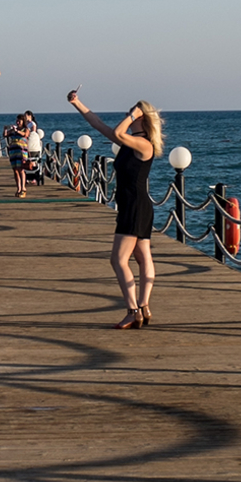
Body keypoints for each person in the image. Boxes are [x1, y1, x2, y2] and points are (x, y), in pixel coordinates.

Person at [67, 91, 164, 329]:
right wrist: (77, 103)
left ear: (142, 118)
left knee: (118, 259)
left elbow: (120, 131)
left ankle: (133, 310)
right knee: (142, 257)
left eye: (133, 114)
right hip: (135, 205)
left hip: (135, 206)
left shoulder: (143, 144)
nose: (127, 116)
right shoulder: (129, 143)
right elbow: (98, 124)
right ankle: (144, 307)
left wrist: (132, 115)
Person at [4, 114, 30, 197]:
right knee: (15, 170)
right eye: (17, 121)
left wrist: (17, 131)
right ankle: (18, 188)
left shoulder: (25, 129)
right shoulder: (13, 130)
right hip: (13, 151)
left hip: (21, 151)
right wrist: (6, 130)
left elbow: (25, 134)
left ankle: (23, 188)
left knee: (21, 169)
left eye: (19, 121)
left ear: (23, 121)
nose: (18, 122)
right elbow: (5, 135)